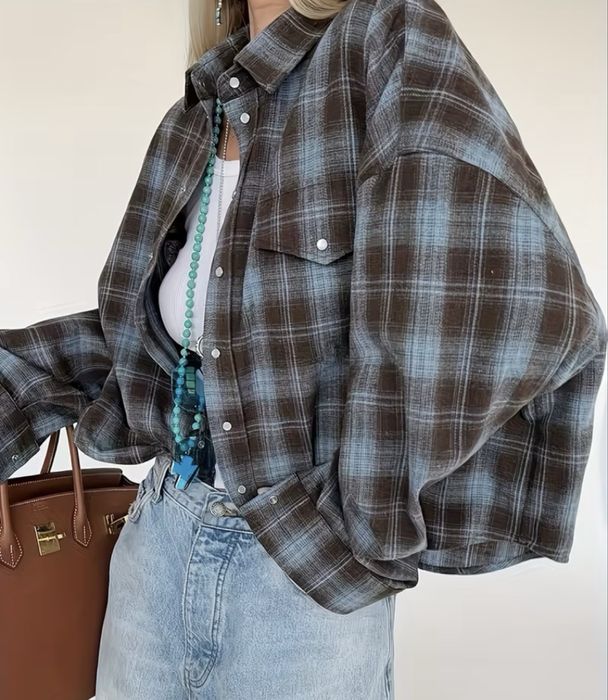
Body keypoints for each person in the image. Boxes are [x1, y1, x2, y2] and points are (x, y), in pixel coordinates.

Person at [1, 0, 606, 698]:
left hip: (299, 583)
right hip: (157, 543)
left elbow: (504, 297)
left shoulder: (386, 39)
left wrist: (357, 523)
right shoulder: (193, 120)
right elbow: (144, 349)